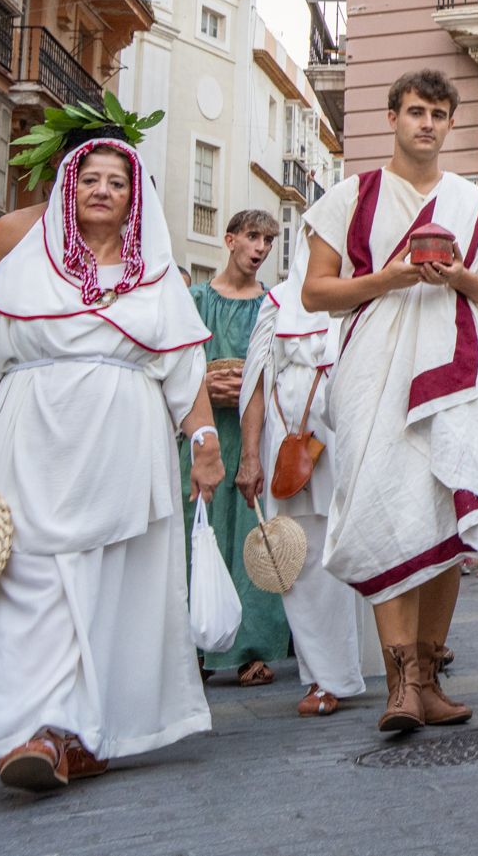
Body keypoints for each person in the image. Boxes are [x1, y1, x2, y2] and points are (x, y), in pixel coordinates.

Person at [0, 133, 216, 790]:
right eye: (89, 179)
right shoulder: (24, 272)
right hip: (27, 451)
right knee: (22, 585)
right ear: (66, 191)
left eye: (117, 181)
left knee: (104, 594)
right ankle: (26, 726)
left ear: (135, 198)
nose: (102, 189)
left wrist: (203, 446)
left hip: (120, 461)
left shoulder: (158, 281)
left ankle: (64, 731)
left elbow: (186, 376)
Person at [302, 71, 478, 730]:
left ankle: (428, 678)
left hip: (458, 379)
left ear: (450, 123)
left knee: (441, 518)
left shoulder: (477, 207)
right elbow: (315, 293)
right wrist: (395, 276)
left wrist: (458, 274)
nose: (426, 123)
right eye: (414, 111)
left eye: (438, 113)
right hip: (374, 375)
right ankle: (399, 682)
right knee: (387, 510)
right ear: (392, 116)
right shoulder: (349, 198)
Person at [234, 268, 367, 718]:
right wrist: (250, 456)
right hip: (289, 444)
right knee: (300, 559)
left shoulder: (363, 286)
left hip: (345, 436)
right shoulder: (277, 301)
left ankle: (362, 665)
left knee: (349, 552)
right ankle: (322, 677)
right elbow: (254, 384)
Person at [187, 209, 293, 687]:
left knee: (252, 535)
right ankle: (194, 646)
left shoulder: (272, 305)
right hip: (205, 432)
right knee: (200, 532)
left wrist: (252, 388)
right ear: (229, 240)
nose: (261, 249)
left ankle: (254, 646)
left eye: (268, 241)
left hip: (255, 431)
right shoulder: (195, 300)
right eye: (253, 237)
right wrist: (206, 386)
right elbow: (178, 362)